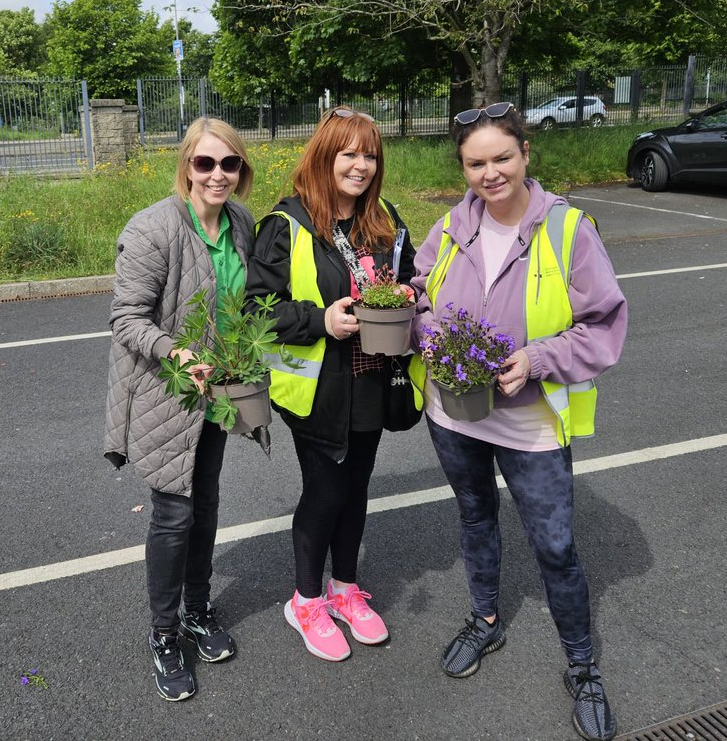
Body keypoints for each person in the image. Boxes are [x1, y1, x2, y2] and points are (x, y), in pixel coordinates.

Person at [410, 103, 628, 741]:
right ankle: (484, 621)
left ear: (525, 154)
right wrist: (433, 339)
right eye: (475, 163)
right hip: (454, 412)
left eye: (501, 157)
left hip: (530, 421)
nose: (490, 173)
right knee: (474, 515)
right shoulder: (451, 228)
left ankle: (582, 665)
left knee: (555, 546)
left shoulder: (567, 230)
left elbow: (604, 325)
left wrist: (537, 358)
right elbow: (419, 295)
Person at [246, 106, 417, 663]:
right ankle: (307, 600)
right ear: (324, 157)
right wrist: (323, 320)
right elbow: (255, 311)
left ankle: (345, 588)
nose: (361, 165)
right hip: (318, 387)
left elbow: (410, 276)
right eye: (349, 153)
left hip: (373, 378)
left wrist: (411, 295)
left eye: (370, 154)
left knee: (358, 486)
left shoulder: (384, 216)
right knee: (325, 492)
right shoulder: (286, 224)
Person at [103, 116, 256, 703]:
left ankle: (197, 608)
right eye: (205, 163)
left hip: (217, 392)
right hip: (168, 391)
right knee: (173, 513)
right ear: (186, 166)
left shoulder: (241, 223)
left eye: (229, 164)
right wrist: (177, 350)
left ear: (241, 171)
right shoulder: (152, 230)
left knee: (208, 502)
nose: (218, 174)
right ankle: (163, 633)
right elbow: (126, 318)